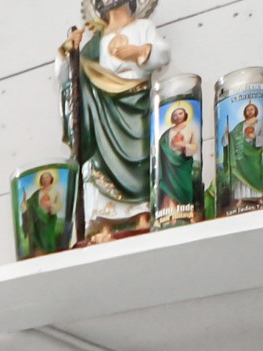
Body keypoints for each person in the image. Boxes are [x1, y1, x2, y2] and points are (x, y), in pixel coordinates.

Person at [58, 0, 169, 240]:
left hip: (136, 102)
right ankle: (105, 223)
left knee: (141, 157)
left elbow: (163, 53)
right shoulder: (95, 44)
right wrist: (69, 51)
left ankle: (142, 215)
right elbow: (70, 76)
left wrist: (140, 51)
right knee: (99, 161)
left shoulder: (143, 27)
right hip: (102, 113)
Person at [220, 99, 263, 209]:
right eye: (247, 110)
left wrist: (254, 137)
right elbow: (230, 139)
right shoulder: (240, 125)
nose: (249, 111)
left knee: (255, 173)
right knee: (240, 178)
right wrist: (227, 134)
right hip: (240, 158)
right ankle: (241, 199)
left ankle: (258, 197)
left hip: (253, 156)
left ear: (255, 111)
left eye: (251, 109)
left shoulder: (259, 124)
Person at [157, 102, 199, 218]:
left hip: (183, 164)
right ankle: (169, 211)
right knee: (169, 188)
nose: (177, 116)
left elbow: (194, 148)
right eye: (174, 114)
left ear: (185, 114)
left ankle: (186, 213)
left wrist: (183, 145)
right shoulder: (167, 133)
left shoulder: (190, 130)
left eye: (180, 113)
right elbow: (162, 146)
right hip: (169, 165)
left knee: (185, 187)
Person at [21, 168, 69, 255]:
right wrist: (24, 201)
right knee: (37, 242)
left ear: (51, 179)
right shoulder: (37, 193)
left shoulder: (55, 192)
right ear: (40, 181)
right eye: (43, 178)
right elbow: (30, 204)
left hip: (48, 220)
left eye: (47, 177)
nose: (45, 179)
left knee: (48, 240)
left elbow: (59, 205)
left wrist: (51, 206)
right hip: (37, 223)